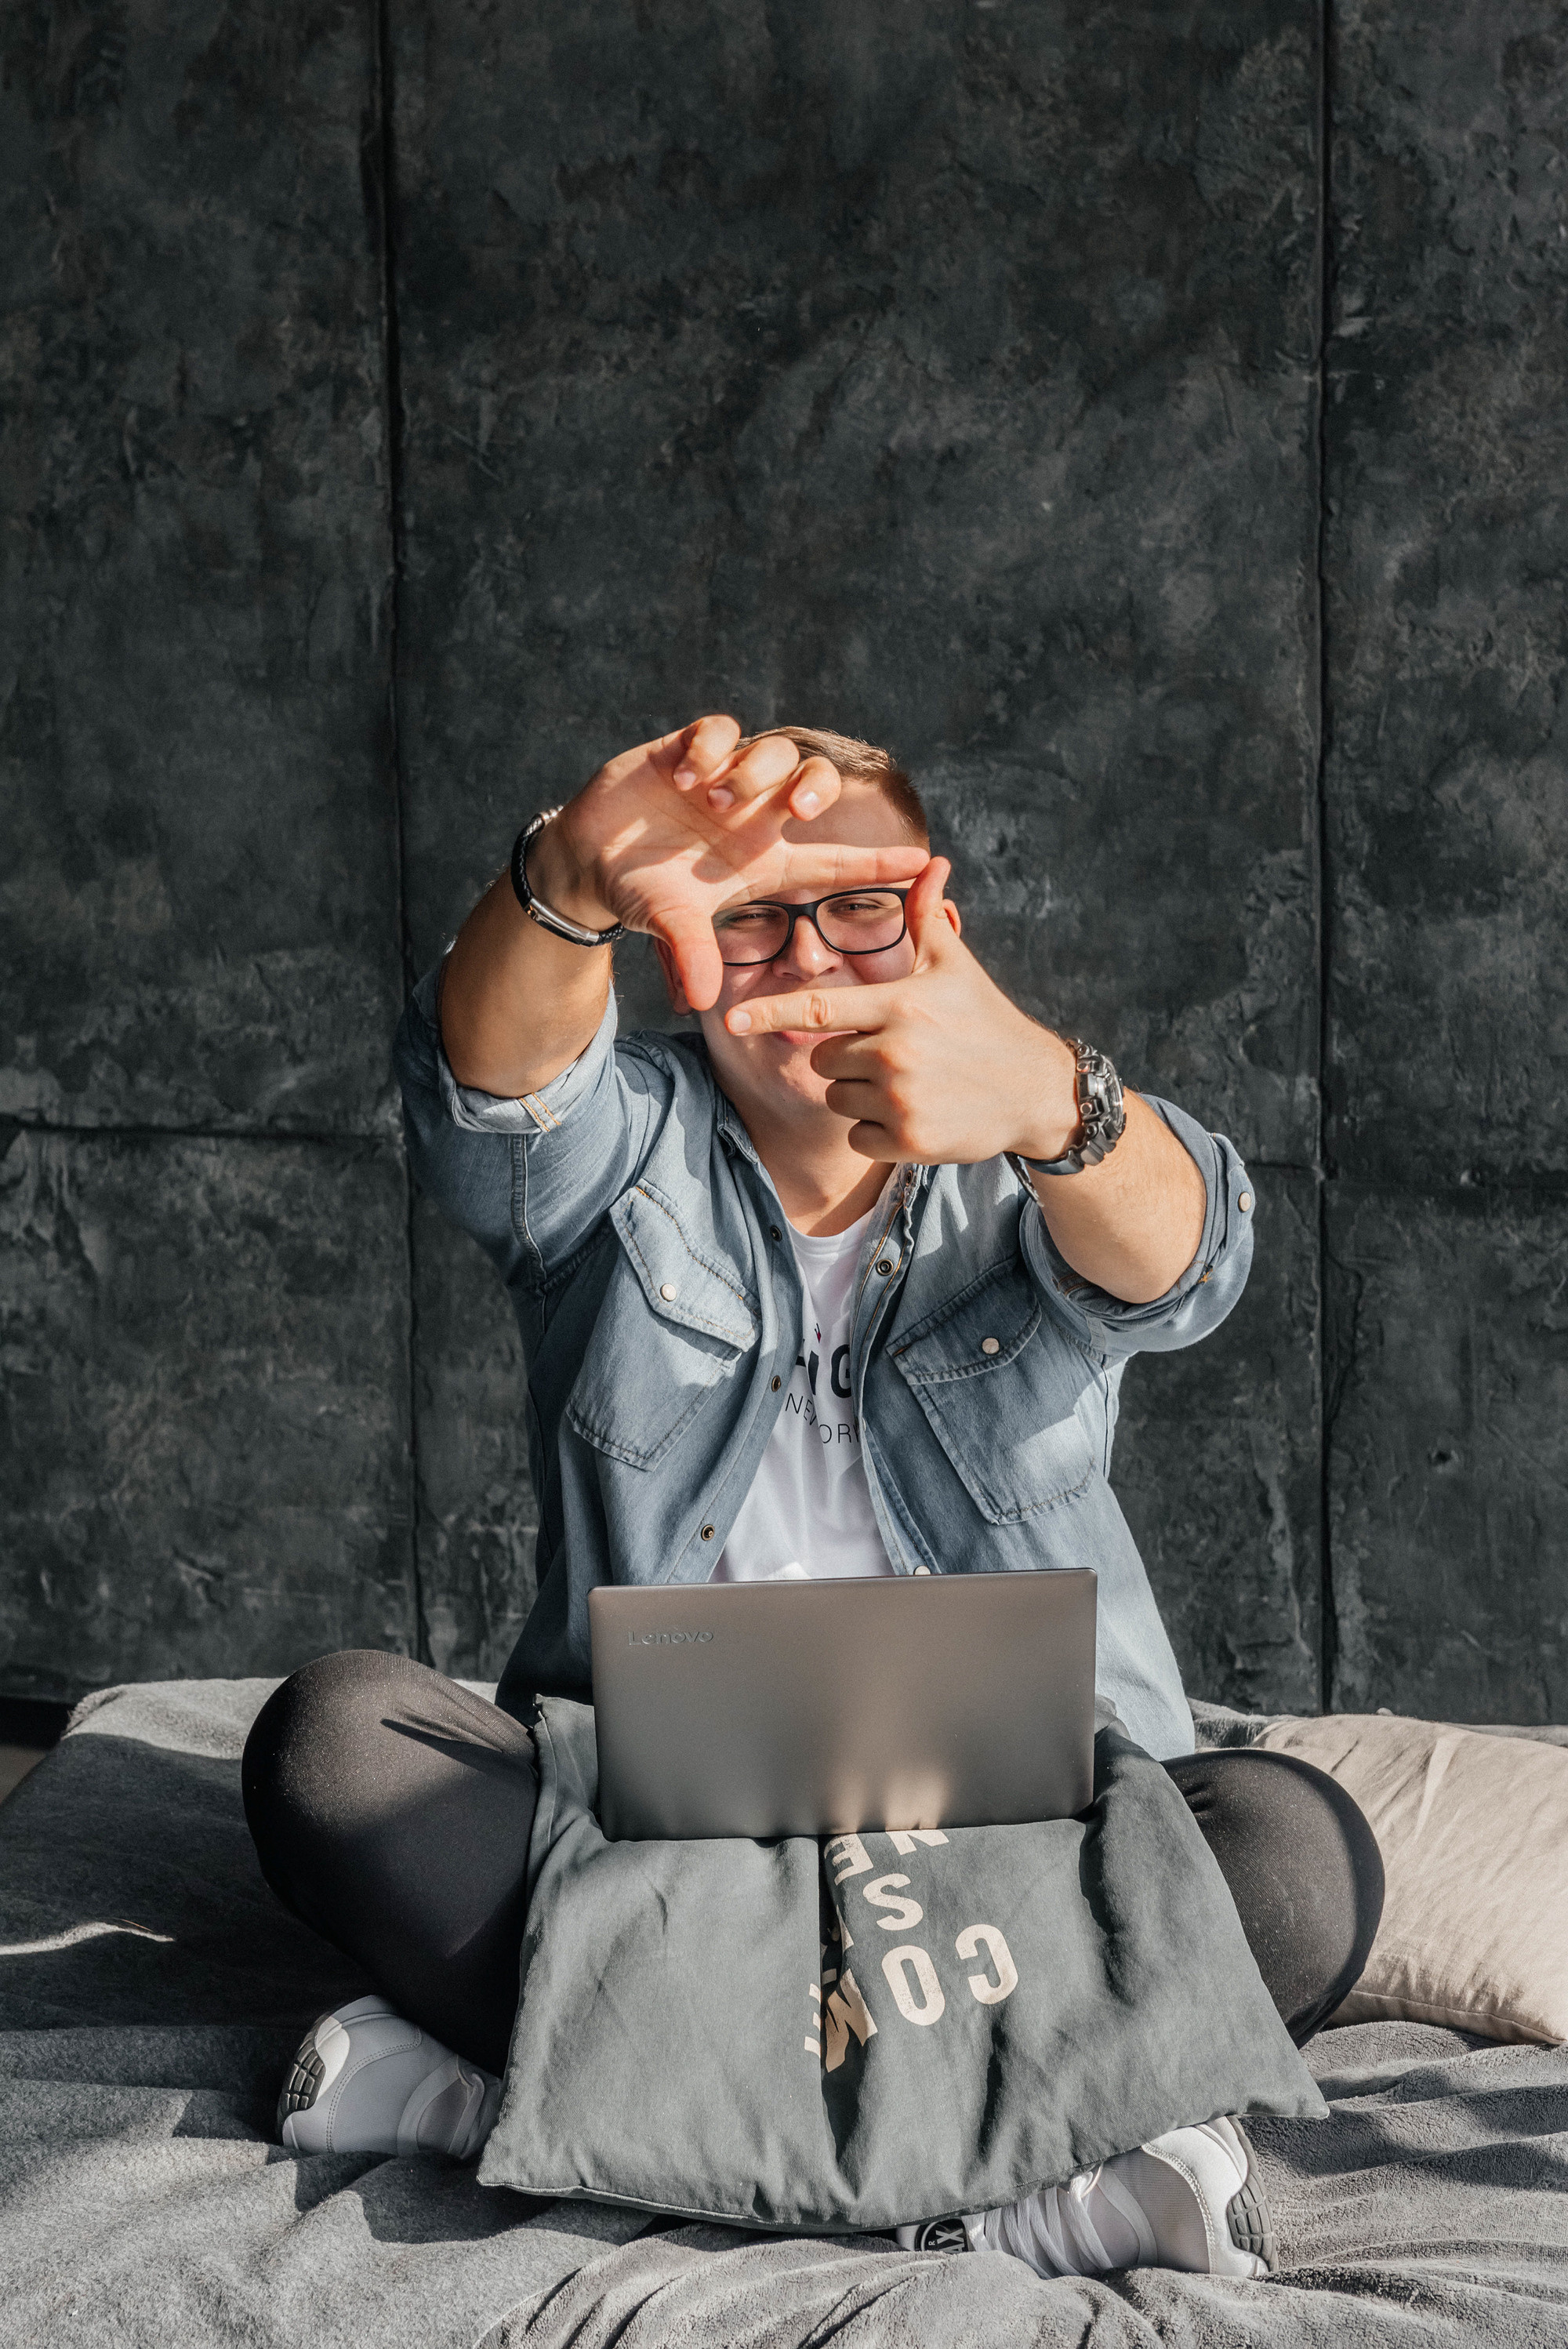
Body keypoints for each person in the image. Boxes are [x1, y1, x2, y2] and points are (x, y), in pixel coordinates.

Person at [244, 716, 1382, 2278]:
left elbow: (1193, 1263)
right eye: (747, 919)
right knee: (339, 1750)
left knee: (1295, 1854)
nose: (806, 961)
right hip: (661, 1818)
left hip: (1017, 1807)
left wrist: (1061, 1101)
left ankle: (533, 2099)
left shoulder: (1031, 1156)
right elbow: (488, 1094)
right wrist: (565, 878)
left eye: (855, 907)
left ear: (938, 927)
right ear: (675, 956)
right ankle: (1013, 2177)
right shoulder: (625, 1155)